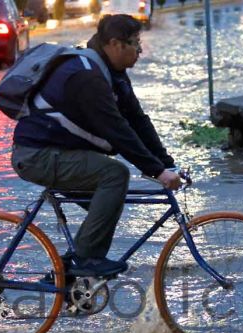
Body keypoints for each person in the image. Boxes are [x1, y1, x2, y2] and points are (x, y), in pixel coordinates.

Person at [11, 14, 181, 277]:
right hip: (37, 156)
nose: (140, 50)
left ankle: (67, 275)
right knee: (114, 174)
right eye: (135, 43)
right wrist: (157, 172)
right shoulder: (87, 77)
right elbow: (116, 130)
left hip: (60, 153)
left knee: (107, 205)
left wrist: (168, 163)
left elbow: (137, 120)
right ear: (115, 44)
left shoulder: (113, 74)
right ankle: (85, 260)